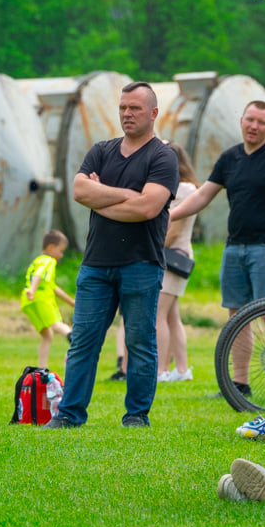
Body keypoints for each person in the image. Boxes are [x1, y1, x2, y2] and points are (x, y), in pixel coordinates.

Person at [44, 81, 178, 429]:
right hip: (96, 265)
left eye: (134, 108)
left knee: (139, 342)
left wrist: (101, 197)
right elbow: (78, 190)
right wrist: (126, 196)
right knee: (83, 342)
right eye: (122, 108)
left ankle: (136, 415)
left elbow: (149, 207)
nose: (127, 114)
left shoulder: (163, 157)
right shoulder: (101, 150)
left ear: (153, 113)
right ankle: (70, 415)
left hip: (142, 264)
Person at [170, 101, 265, 398]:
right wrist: (170, 215)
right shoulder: (230, 158)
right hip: (234, 247)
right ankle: (239, 385)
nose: (254, 126)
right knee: (237, 316)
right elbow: (203, 196)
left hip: (264, 248)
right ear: (241, 120)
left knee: (264, 314)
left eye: (261, 122)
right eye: (250, 119)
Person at [156, 142, 198, 382]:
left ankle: (162, 370)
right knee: (171, 316)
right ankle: (181, 370)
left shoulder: (183, 189)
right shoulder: (189, 188)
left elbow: (172, 230)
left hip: (173, 256)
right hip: (178, 255)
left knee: (158, 316)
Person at [20, 229, 75, 369]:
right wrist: (33, 289)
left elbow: (53, 287)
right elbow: (38, 275)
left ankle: (41, 369)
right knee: (56, 324)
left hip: (28, 302)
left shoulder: (37, 260)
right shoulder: (48, 261)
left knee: (47, 335)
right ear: (51, 247)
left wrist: (70, 302)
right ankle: (75, 340)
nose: (61, 255)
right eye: (60, 251)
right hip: (41, 298)